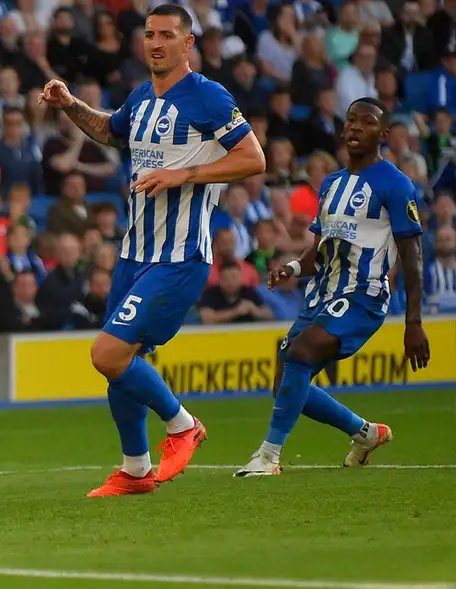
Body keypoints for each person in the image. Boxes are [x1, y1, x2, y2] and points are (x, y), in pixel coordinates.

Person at [40, 4, 266, 496]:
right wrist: (71, 104)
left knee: (107, 354)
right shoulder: (142, 96)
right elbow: (110, 131)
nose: (156, 43)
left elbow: (253, 158)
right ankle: (136, 470)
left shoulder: (208, 96)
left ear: (188, 43)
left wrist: (184, 174)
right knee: (121, 365)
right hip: (134, 253)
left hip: (179, 255)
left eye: (167, 35)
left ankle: (183, 425)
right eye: (149, 35)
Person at [235, 98, 431, 477]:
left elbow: (412, 257)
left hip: (362, 296)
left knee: (300, 353)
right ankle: (366, 433)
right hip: (321, 295)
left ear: (383, 134)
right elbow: (322, 247)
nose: (356, 127)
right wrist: (293, 267)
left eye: (367, 122)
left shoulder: (396, 184)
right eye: (352, 120)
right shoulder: (331, 184)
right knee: (284, 382)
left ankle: (268, 457)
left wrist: (414, 322)